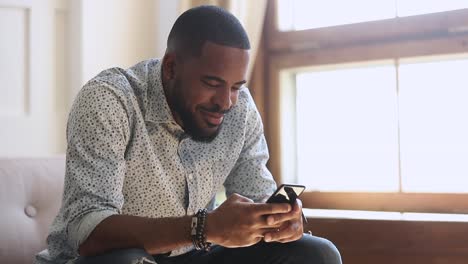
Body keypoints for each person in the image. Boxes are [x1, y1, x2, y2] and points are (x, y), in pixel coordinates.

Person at [35, 5, 341, 264]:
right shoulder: (109, 100)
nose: (226, 102)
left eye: (236, 86)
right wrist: (204, 228)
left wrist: (280, 222)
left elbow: (258, 196)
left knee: (317, 254)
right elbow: (89, 235)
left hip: (194, 252)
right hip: (102, 259)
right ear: (171, 67)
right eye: (212, 83)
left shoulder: (239, 109)